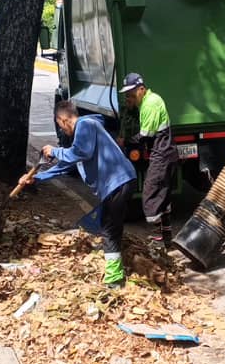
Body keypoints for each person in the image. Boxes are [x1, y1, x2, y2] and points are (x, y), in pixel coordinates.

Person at [18, 100, 136, 288]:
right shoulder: (85, 131)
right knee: (110, 225)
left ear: (63, 120)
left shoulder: (85, 125)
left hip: (118, 182)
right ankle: (115, 263)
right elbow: (65, 165)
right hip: (120, 182)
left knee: (108, 230)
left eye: (60, 126)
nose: (62, 130)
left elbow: (80, 152)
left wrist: (54, 150)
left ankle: (114, 279)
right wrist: (36, 178)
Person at [119, 72, 179, 247]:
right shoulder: (147, 101)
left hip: (162, 154)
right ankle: (166, 238)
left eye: (131, 93)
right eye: (126, 94)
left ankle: (158, 239)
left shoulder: (150, 104)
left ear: (141, 89)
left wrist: (125, 142)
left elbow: (145, 135)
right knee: (163, 194)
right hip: (165, 153)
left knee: (150, 194)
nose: (128, 97)